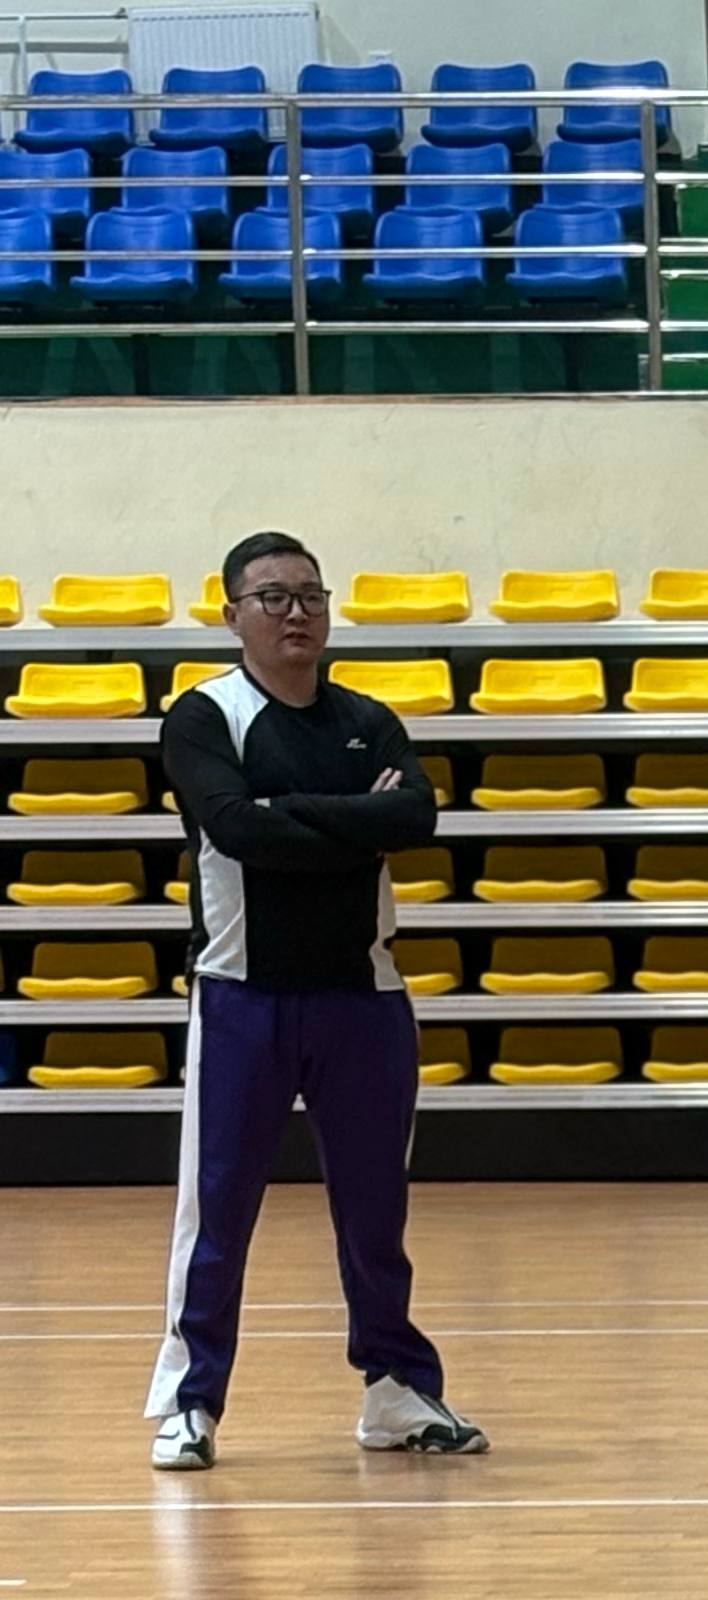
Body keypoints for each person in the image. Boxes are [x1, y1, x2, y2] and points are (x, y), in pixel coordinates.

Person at [144, 530, 486, 1475]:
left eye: (309, 595)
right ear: (233, 615)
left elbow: (413, 817)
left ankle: (395, 1390)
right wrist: (353, 818)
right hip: (242, 999)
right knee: (218, 1211)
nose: (295, 612)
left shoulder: (369, 717)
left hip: (365, 1000)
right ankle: (191, 1401)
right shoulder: (204, 717)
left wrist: (289, 810)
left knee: (376, 1213)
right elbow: (233, 828)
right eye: (273, 597)